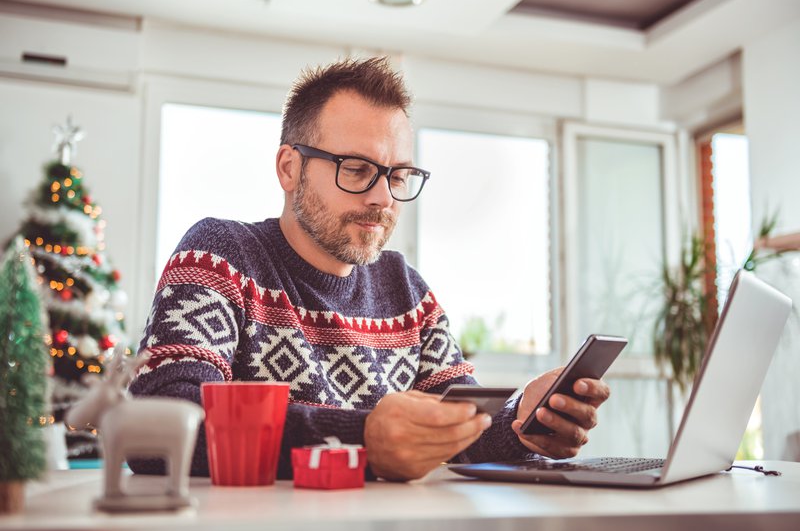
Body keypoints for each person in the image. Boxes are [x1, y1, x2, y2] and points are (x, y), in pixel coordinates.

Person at [129, 57, 610, 481]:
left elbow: (459, 427)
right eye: (356, 169)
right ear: (289, 168)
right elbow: (157, 424)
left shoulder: (407, 291)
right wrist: (361, 441)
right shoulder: (220, 255)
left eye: (397, 175)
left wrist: (521, 423)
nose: (382, 198)